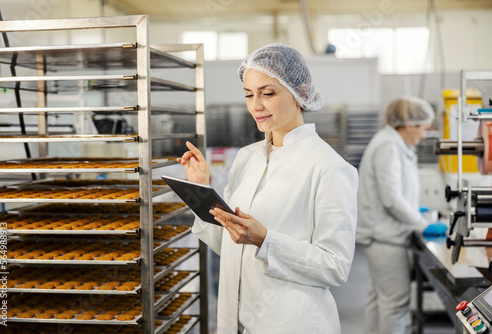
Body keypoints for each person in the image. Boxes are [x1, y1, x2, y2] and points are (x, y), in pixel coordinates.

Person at [177, 43, 358, 333]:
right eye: (249, 95)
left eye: (268, 93)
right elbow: (230, 245)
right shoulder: (247, 157)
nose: (255, 105)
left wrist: (266, 241)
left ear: (300, 92)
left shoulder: (329, 167)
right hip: (241, 321)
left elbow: (335, 266)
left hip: (294, 323)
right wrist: (201, 191)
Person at [356, 96, 447, 334]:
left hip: (382, 233)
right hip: (383, 237)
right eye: (424, 129)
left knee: (380, 300)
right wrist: (420, 224)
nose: (425, 135)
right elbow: (391, 198)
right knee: (395, 304)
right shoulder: (388, 146)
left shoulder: (393, 143)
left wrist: (414, 208)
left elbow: (392, 192)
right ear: (409, 125)